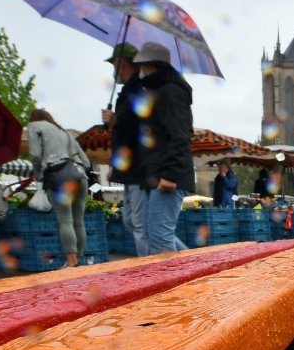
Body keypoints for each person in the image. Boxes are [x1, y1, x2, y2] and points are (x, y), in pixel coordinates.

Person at [133, 42, 194, 254]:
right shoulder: (160, 90)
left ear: (152, 65)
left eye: (142, 65)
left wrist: (170, 174)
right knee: (157, 234)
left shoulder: (171, 91)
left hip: (169, 175)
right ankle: (196, 268)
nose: (139, 70)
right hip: (161, 172)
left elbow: (179, 135)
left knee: (160, 236)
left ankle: (181, 284)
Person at [101, 42, 150, 256]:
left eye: (116, 65)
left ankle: (152, 273)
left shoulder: (139, 91)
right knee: (130, 220)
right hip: (131, 168)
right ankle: (180, 258)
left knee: (140, 224)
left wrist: (116, 120)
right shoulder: (127, 92)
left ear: (126, 65)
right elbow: (122, 134)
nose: (114, 71)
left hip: (140, 166)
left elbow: (143, 128)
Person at [28, 109, 92, 268]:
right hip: (80, 176)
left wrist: (38, 173)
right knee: (79, 221)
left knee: (65, 220)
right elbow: (86, 162)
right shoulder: (65, 132)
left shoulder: (34, 126)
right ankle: (79, 258)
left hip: (58, 176)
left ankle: (71, 262)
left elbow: (35, 155)